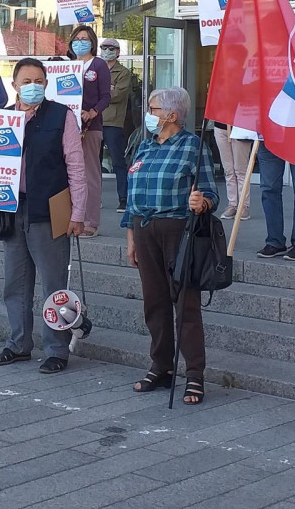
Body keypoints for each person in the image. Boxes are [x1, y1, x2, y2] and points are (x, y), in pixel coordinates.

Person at [0, 59, 86, 373]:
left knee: (54, 286)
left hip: (50, 210)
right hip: (11, 210)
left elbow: (76, 168)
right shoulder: (2, 118)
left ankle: (57, 350)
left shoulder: (61, 116)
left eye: (39, 79)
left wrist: (78, 213)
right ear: (14, 85)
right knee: (15, 283)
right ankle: (19, 343)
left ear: (46, 84)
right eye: (26, 80)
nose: (33, 85)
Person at [124, 87, 217, 406]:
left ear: (171, 115)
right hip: (145, 230)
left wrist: (201, 201)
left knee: (185, 305)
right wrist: (131, 236)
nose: (147, 113)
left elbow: (211, 193)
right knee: (154, 302)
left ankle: (194, 374)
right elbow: (133, 194)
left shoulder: (193, 146)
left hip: (179, 231)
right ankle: (161, 366)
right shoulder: (144, 146)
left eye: (152, 108)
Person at [68, 25, 111, 236]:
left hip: (90, 127)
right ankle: (72, 216)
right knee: (70, 174)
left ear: (92, 41)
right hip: (68, 128)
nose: (80, 42)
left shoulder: (99, 65)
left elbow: (106, 97)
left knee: (90, 175)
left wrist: (92, 113)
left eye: (85, 38)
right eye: (77, 38)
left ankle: (90, 221)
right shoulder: (67, 66)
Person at [99, 37, 136, 213]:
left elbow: (118, 96)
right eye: (104, 47)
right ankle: (93, 199)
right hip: (93, 120)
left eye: (111, 48)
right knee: (92, 163)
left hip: (113, 122)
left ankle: (123, 199)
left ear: (117, 52)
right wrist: (108, 89)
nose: (107, 50)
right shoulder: (94, 69)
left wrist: (99, 92)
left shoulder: (124, 72)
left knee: (118, 162)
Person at [212, 121, 254, 221]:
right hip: (220, 125)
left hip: (240, 125)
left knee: (241, 170)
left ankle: (243, 206)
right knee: (228, 170)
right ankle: (232, 204)